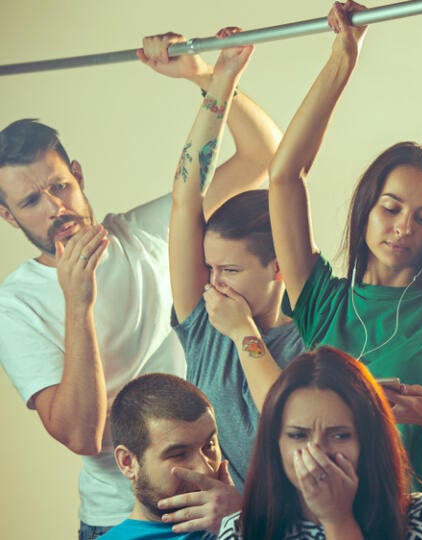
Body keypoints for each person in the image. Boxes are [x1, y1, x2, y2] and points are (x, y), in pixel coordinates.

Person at [0, 31, 278, 539]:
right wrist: (77, 303)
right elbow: (83, 435)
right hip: (118, 518)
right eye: (31, 202)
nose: (56, 208)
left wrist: (204, 77)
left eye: (59, 186)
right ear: (8, 215)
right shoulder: (14, 306)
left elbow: (264, 157)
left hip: (217, 499)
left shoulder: (143, 232)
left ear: (78, 176)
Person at [267, 2, 422, 539]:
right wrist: (344, 56)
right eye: (392, 208)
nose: (403, 228)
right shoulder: (322, 300)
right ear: (366, 209)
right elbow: (285, 176)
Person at [165, 26, 302, 498]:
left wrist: (244, 332)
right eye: (210, 269)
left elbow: (293, 431)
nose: (214, 284)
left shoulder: (314, 340)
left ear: (278, 267)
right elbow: (187, 198)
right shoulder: (203, 320)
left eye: (231, 271)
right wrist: (217, 81)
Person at [218, 347, 422, 539]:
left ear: (368, 442)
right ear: (275, 444)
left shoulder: (417, 515)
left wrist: (338, 521)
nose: (318, 451)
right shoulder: (240, 531)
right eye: (298, 435)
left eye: (339, 436)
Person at [100, 373, 230, 540]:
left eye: (209, 446)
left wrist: (241, 523)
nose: (204, 469)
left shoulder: (250, 520)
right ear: (128, 463)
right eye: (179, 455)